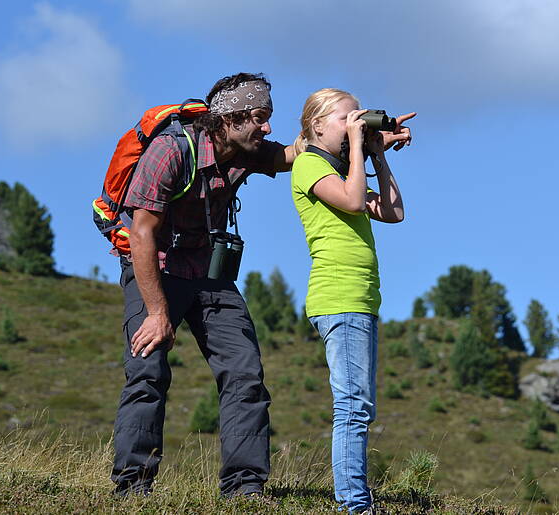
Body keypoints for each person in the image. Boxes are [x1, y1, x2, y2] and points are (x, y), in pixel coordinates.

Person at [110, 72, 292, 497]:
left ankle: (245, 489)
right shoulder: (171, 150)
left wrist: (363, 140)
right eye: (259, 117)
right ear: (228, 118)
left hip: (208, 272)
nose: (266, 128)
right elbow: (141, 233)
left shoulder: (247, 150)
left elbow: (299, 154)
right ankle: (133, 487)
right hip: (154, 266)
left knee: (245, 374)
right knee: (147, 370)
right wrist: (157, 314)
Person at [291, 88, 414, 513]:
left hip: (360, 298)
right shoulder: (309, 165)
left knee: (360, 405)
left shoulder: (347, 169)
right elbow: (354, 201)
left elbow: (394, 212)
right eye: (346, 119)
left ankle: (353, 501)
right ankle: (353, 504)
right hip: (339, 296)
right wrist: (360, 148)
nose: (352, 126)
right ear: (317, 125)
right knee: (353, 407)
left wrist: (379, 154)